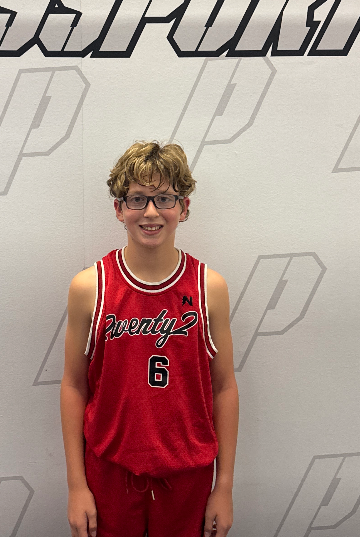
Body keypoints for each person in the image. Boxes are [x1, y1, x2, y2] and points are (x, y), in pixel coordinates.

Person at [60, 141, 239, 537]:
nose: (152, 212)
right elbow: (74, 385)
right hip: (109, 470)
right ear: (119, 208)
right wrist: (76, 485)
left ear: (184, 207)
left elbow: (224, 387)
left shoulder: (209, 287)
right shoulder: (90, 287)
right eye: (138, 199)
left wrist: (224, 486)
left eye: (165, 198)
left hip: (188, 473)